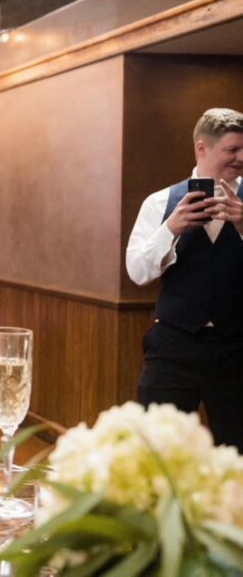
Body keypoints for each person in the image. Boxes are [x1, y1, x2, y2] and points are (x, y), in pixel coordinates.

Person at [126, 107, 243, 449]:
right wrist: (171, 228)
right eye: (232, 150)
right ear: (202, 149)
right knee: (159, 452)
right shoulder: (160, 203)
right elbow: (137, 271)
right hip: (173, 348)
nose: (241, 158)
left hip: (238, 349)